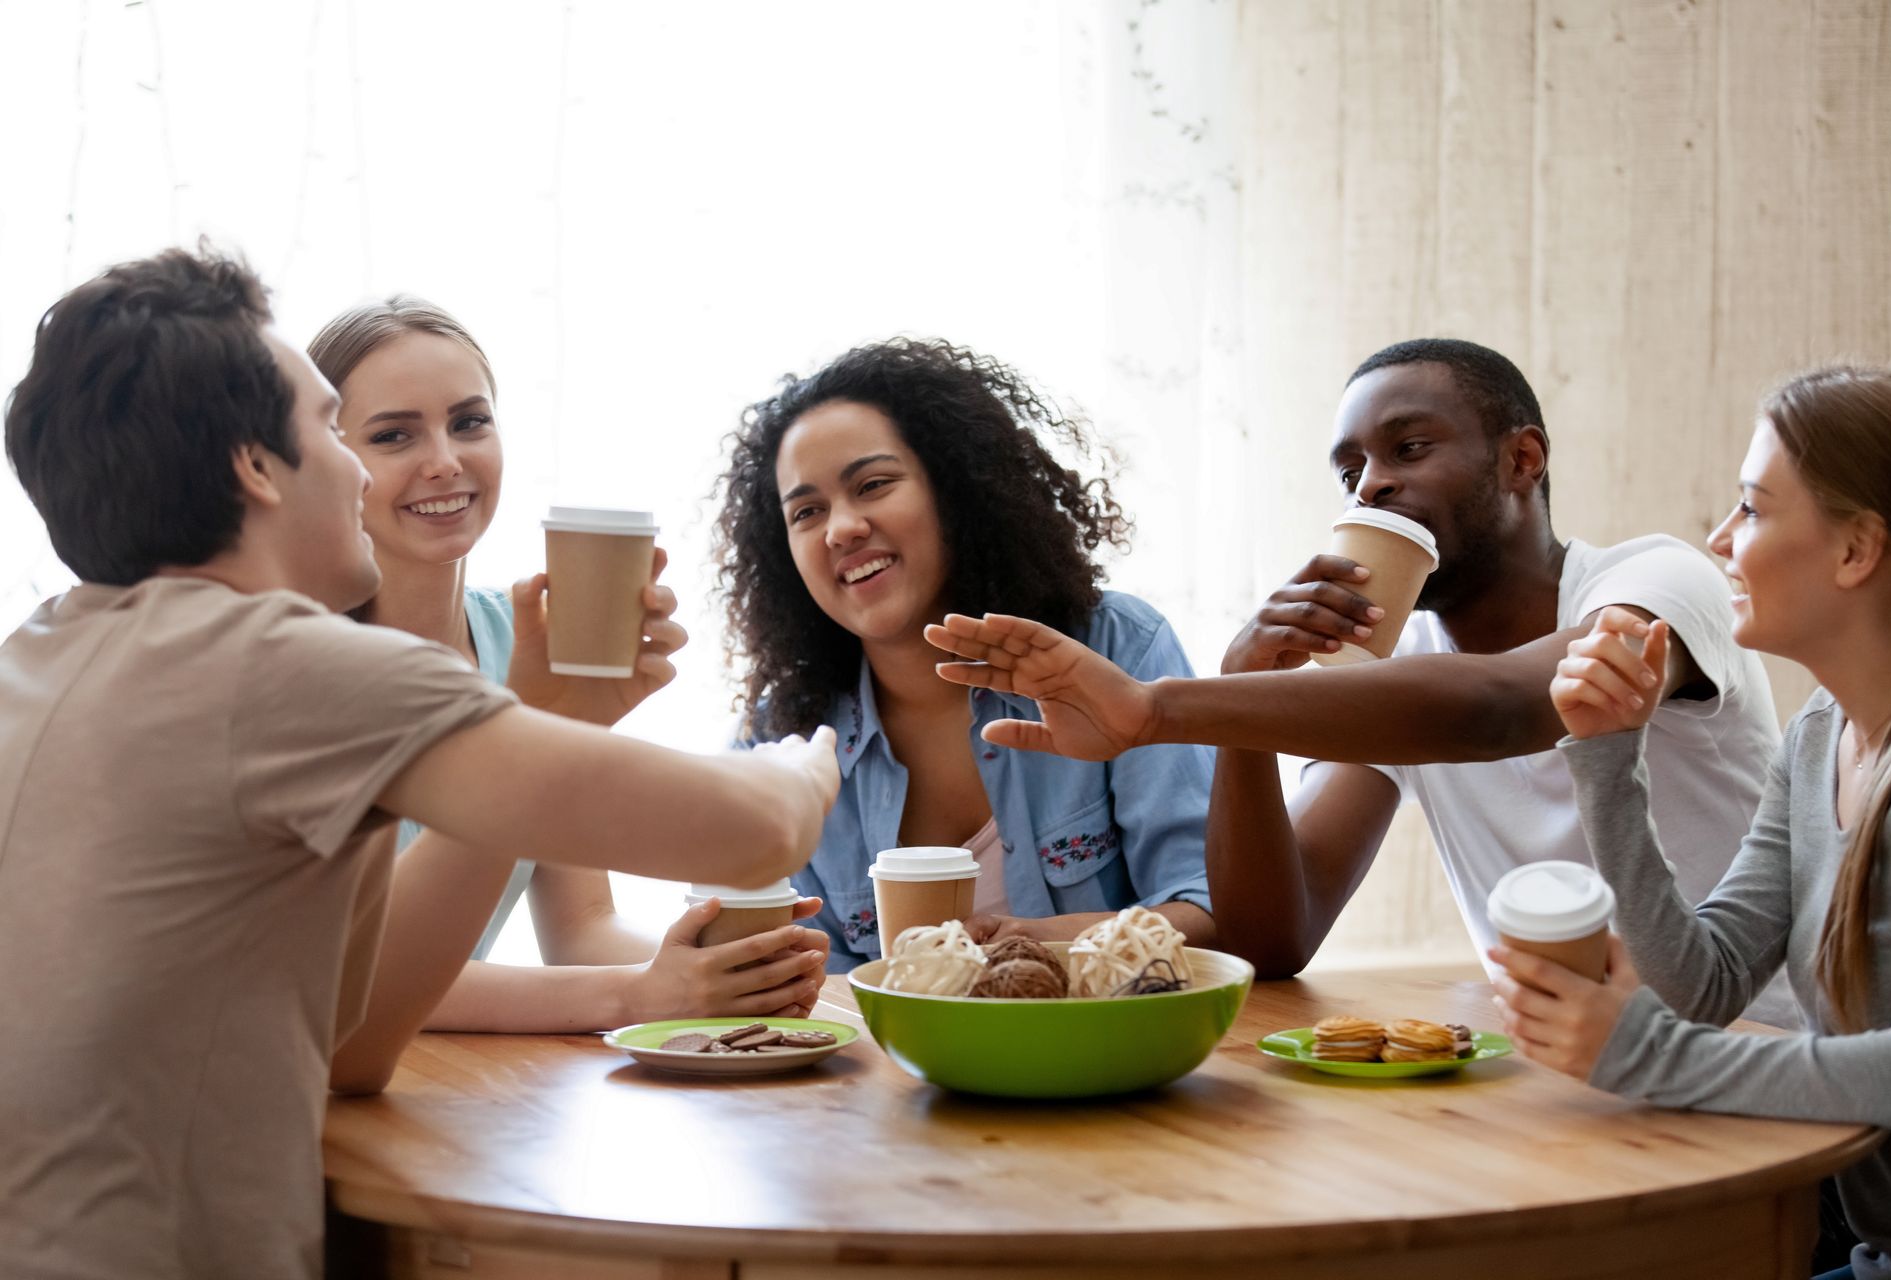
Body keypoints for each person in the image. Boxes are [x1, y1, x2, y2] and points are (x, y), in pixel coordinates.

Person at [0, 246, 838, 1280]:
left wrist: (540, 714)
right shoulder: (285, 666)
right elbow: (754, 828)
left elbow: (354, 1045)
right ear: (253, 466)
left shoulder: (50, 648)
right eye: (332, 427)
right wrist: (813, 749)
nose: (357, 472)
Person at [923, 338, 1791, 1025]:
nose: (1371, 483)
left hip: (1760, 1064)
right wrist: (1244, 695)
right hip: (1581, 1077)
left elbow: (1505, 709)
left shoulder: (1659, 583)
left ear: (1523, 459)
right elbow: (1275, 937)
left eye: (1408, 448)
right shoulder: (1395, 668)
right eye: (1350, 472)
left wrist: (1157, 710)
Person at [1493, 366, 1891, 1280]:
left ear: (1857, 550)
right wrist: (1608, 757)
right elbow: (1705, 979)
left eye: (1755, 509)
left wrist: (1644, 1054)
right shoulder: (1821, 736)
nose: (1722, 539)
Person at [310, 298, 829, 1036]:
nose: (446, 462)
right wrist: (639, 996)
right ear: (329, 460)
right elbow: (349, 974)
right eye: (394, 435)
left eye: (469, 422)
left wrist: (718, 967)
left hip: (446, 1091)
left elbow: (582, 928)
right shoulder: (297, 668)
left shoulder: (524, 644)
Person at [714, 339, 1215, 969]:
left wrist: (1035, 942)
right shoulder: (776, 738)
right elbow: (794, 979)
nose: (841, 528)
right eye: (807, 511)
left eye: (872, 485)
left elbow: (1206, 907)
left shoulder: (1118, 649)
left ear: (955, 488)